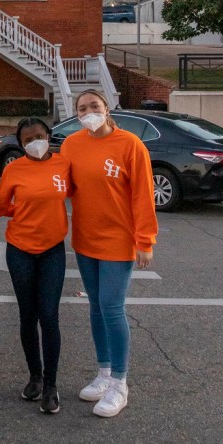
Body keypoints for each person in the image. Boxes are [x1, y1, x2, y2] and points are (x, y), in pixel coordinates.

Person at [60, 88, 158, 418]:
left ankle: (120, 381)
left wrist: (145, 240)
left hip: (119, 241)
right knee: (95, 306)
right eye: (82, 108)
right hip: (86, 240)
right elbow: (64, 187)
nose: (88, 112)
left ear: (106, 108)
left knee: (112, 307)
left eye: (94, 106)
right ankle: (103, 373)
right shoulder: (72, 144)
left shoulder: (130, 145)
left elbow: (143, 195)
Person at [0, 116, 70, 414]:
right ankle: (34, 377)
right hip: (21, 249)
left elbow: (76, 191)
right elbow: (0, 207)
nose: (34, 143)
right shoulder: (13, 168)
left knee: (49, 315)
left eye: (39, 136)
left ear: (48, 135)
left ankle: (51, 385)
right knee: (28, 315)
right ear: (21, 144)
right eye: (27, 140)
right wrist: (21, 208)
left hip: (52, 249)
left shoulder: (64, 164)